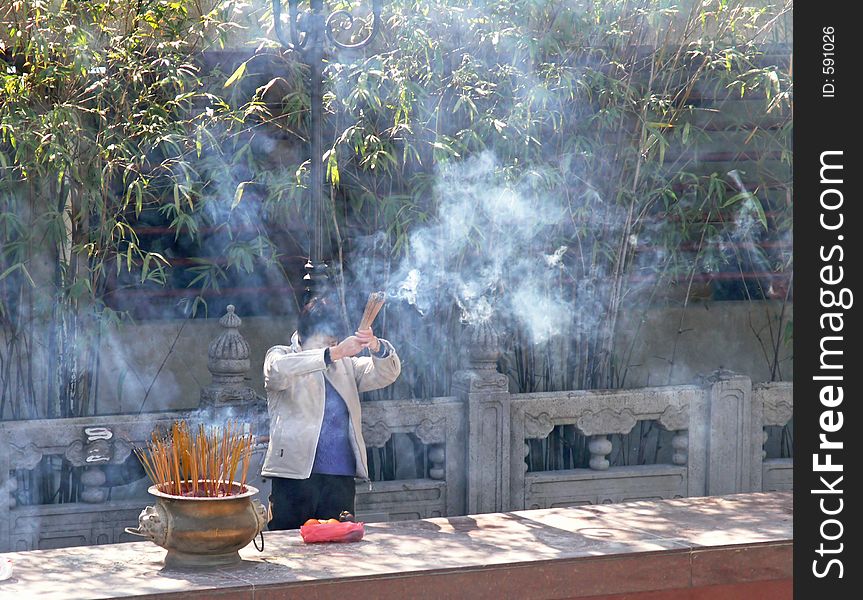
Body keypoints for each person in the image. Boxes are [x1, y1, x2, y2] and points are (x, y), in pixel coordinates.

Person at [261, 295, 401, 530]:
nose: (331, 346)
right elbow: (277, 373)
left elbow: (385, 374)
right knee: (290, 552)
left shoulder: (345, 365)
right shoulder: (280, 355)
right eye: (324, 340)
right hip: (294, 477)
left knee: (339, 551)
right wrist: (331, 354)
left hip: (340, 478)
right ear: (304, 335)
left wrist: (376, 346)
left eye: (334, 340)